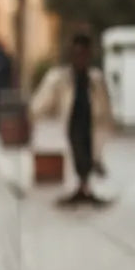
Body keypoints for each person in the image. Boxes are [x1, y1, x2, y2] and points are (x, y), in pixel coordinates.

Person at [29, 32, 113, 205]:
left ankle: (84, 187)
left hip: (90, 122)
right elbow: (43, 100)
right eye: (78, 54)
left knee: (89, 154)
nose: (81, 58)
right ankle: (78, 189)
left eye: (84, 54)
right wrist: (33, 114)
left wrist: (108, 124)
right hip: (71, 122)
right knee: (75, 154)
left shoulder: (95, 78)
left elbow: (105, 105)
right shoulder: (61, 78)